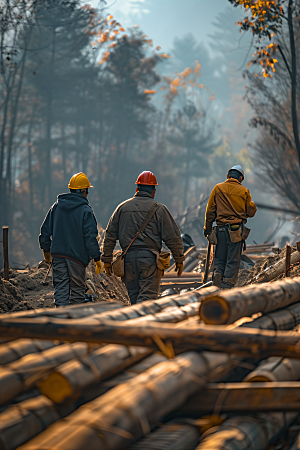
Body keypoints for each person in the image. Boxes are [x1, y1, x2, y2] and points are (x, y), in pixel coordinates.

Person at [101, 171, 185, 304]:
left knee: (134, 299)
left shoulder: (122, 208)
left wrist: (106, 259)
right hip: (149, 260)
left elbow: (110, 234)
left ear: (136, 189)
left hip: (128, 261)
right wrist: (179, 258)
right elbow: (173, 236)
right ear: (154, 191)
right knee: (147, 299)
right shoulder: (160, 209)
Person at [39, 172, 103, 307]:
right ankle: (74, 322)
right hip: (77, 258)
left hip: (58, 255)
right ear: (84, 191)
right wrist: (97, 258)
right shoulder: (86, 211)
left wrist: (46, 250)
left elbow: (45, 231)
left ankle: (60, 321)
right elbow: (90, 237)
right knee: (77, 292)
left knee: (61, 289)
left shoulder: (56, 207)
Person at [204, 165, 257, 289]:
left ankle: (217, 273)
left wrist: (207, 229)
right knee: (232, 261)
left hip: (220, 230)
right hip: (235, 231)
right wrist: (252, 204)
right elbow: (251, 212)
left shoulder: (217, 188)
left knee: (219, 257)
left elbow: (210, 211)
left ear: (228, 176)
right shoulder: (244, 191)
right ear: (241, 178)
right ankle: (227, 286)